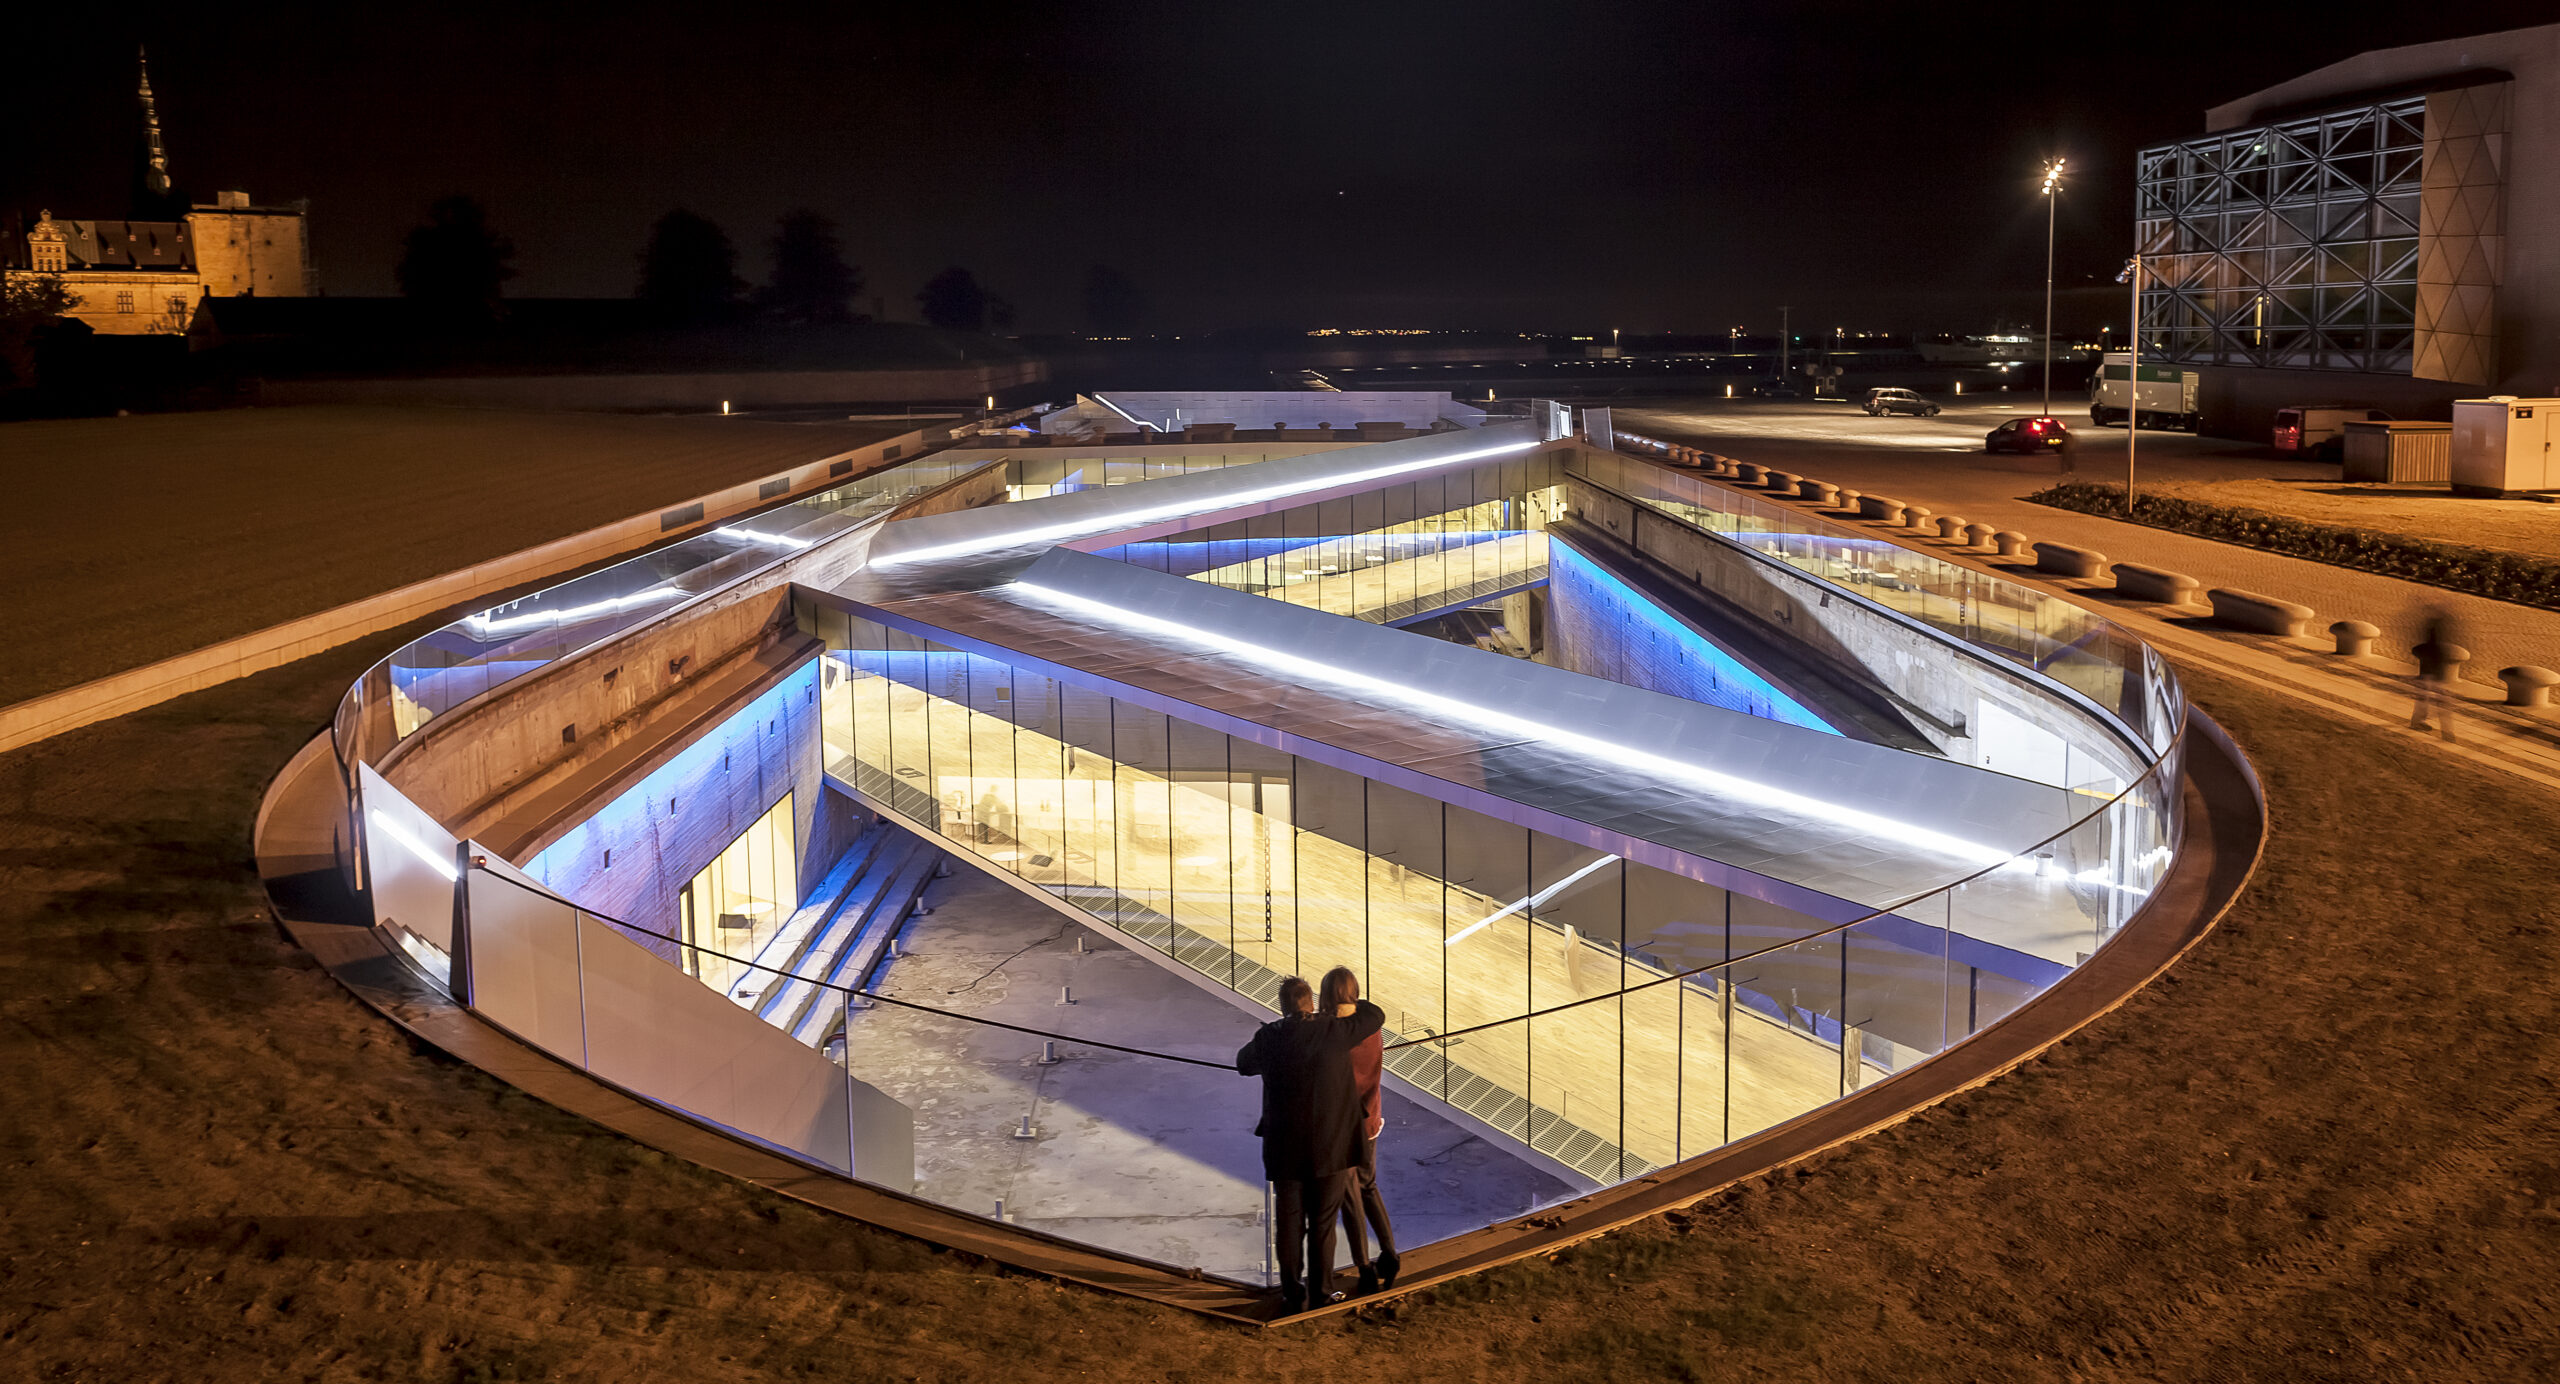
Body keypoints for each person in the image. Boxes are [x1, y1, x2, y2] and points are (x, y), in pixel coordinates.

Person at [1236, 974, 1383, 1313]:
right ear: (1313, 1003)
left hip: (1284, 1147)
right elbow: (1374, 1015)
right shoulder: (1333, 1030)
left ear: (1283, 1006)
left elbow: (1243, 1064)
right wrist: (1342, 1004)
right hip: (1331, 1147)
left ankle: (1292, 1291)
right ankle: (1322, 1290)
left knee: (1289, 1222)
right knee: (1323, 1221)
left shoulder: (1269, 1037)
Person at [1321, 966, 1399, 1294]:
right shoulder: (1371, 1025)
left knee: (1350, 1198)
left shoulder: (1333, 1034)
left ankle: (1364, 1268)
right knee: (1369, 1186)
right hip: (1371, 1120)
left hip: (1344, 1128)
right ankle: (1390, 1254)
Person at [2410, 606, 2464, 743]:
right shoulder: (2438, 641)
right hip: (2435, 672)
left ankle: (2418, 721)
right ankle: (2447, 732)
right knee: (2440, 700)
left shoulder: (2430, 637)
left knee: (2424, 698)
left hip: (2429, 671)